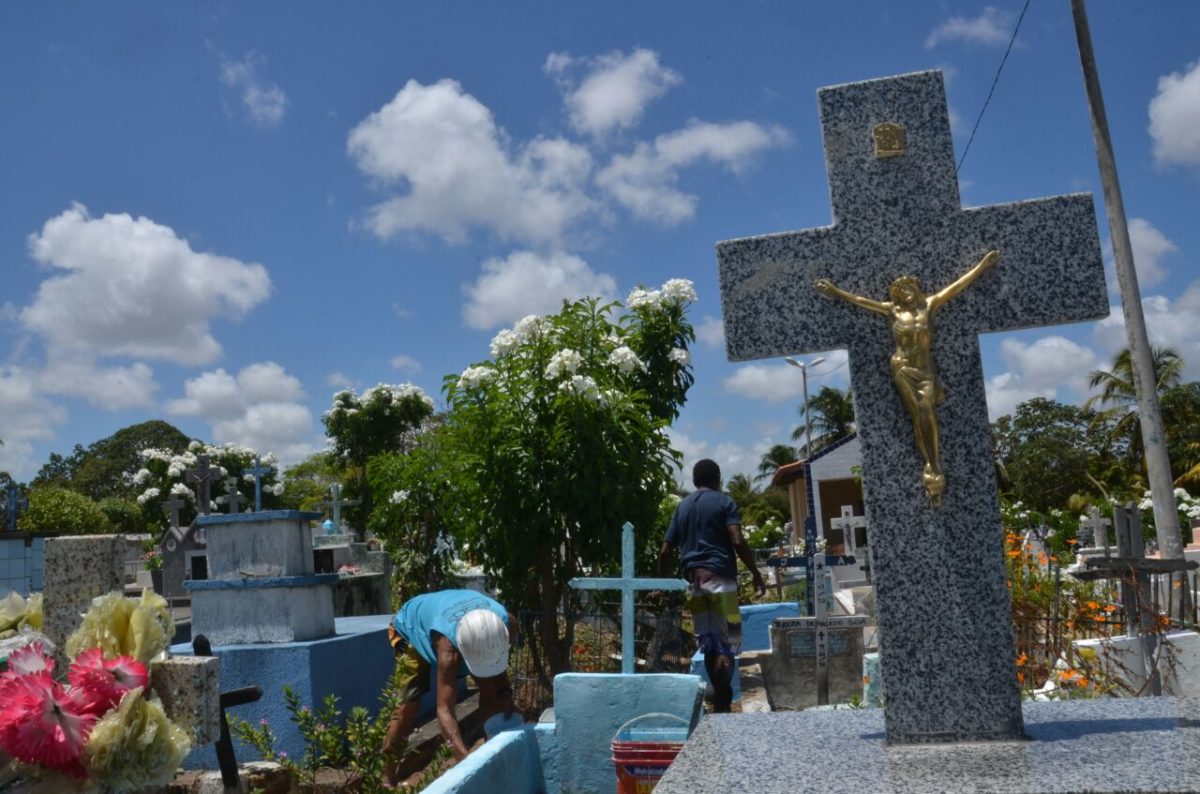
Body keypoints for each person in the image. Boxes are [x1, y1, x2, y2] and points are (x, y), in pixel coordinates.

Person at [815, 249, 1000, 504]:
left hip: (925, 371)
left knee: (927, 411)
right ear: (896, 294)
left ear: (916, 287)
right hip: (902, 368)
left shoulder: (930, 305)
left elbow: (957, 286)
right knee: (919, 413)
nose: (905, 291)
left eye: (908, 286)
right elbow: (860, 300)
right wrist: (836, 292)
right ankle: (931, 466)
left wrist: (982, 266)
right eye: (900, 289)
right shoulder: (893, 311)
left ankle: (933, 465)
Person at [658, 459, 766, 712]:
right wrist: (755, 572)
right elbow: (737, 540)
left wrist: (664, 584)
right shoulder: (724, 502)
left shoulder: (682, 507)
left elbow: (665, 551)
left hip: (695, 584)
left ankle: (719, 701)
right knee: (728, 645)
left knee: (708, 644)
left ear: (696, 481)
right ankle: (723, 703)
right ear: (718, 478)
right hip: (722, 581)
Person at [382, 589, 517, 782]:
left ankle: (491, 746)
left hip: (449, 617)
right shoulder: (448, 650)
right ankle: (385, 779)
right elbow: (445, 710)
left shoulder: (507, 624)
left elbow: (498, 669)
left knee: (490, 689)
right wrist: (467, 764)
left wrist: (505, 694)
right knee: (408, 707)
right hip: (409, 629)